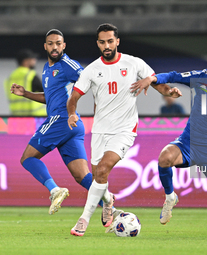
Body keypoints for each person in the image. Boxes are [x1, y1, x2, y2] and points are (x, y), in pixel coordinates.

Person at [67, 23, 182, 236]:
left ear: (117, 41)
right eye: (102, 42)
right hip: (100, 130)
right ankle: (109, 200)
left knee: (102, 171)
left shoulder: (133, 63)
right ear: (98, 44)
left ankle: (83, 220)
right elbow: (73, 97)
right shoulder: (91, 69)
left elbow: (157, 83)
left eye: (110, 41)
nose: (107, 45)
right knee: (97, 179)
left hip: (125, 129)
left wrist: (170, 91)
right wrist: (72, 113)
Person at [131, 47, 207, 235]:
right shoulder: (201, 77)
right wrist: (152, 79)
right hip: (188, 142)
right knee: (165, 157)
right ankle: (170, 197)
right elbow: (174, 76)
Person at [10, 29, 115, 221]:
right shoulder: (46, 68)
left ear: (64, 45)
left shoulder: (68, 65)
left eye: (58, 43)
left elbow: (92, 81)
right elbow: (49, 98)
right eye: (51, 43)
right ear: (45, 46)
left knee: (27, 159)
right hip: (71, 126)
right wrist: (25, 93)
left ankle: (55, 190)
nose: (55, 47)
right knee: (82, 177)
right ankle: (110, 204)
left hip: (61, 120)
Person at [4, 49, 46, 116]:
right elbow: (47, 94)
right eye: (32, 59)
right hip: (35, 118)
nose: (34, 61)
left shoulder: (10, 78)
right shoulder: (31, 75)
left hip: (16, 118)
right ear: (25, 61)